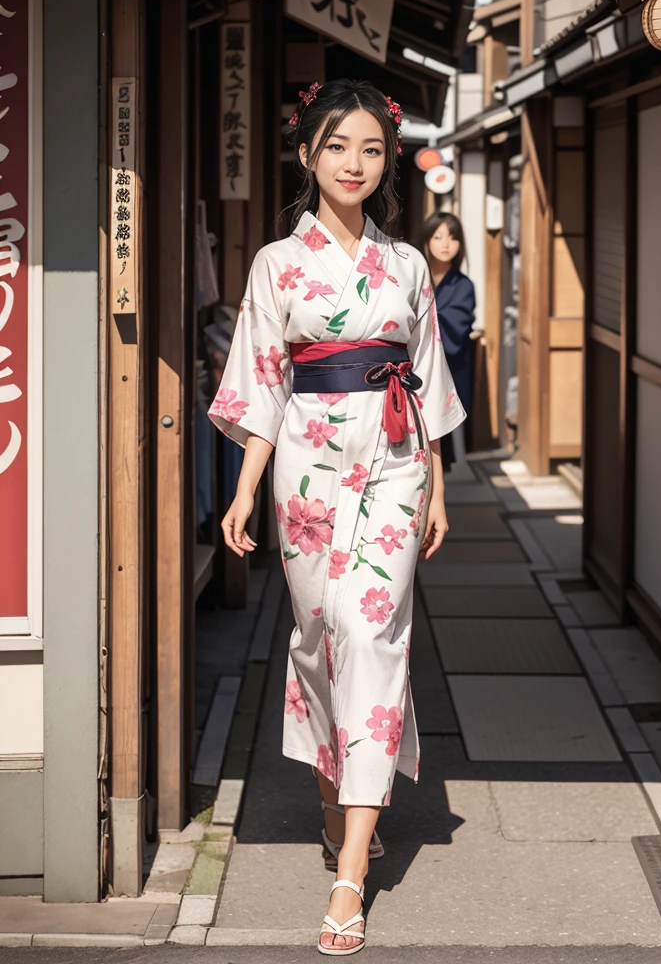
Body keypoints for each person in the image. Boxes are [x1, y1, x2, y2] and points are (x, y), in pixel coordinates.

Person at [208, 79, 466, 956]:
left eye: (370, 149)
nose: (354, 163)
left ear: (386, 159)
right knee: (319, 635)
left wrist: (436, 482)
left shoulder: (405, 265)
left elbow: (426, 375)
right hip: (309, 468)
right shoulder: (277, 263)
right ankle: (333, 782)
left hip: (394, 461)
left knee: (370, 632)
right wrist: (245, 488)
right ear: (308, 155)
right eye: (337, 148)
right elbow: (264, 380)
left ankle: (351, 871)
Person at [422, 212, 476, 470]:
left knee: (439, 445)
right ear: (426, 241)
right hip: (416, 370)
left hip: (450, 370)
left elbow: (455, 329)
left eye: (453, 238)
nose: (445, 244)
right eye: (438, 236)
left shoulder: (463, 285)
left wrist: (419, 320)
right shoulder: (415, 278)